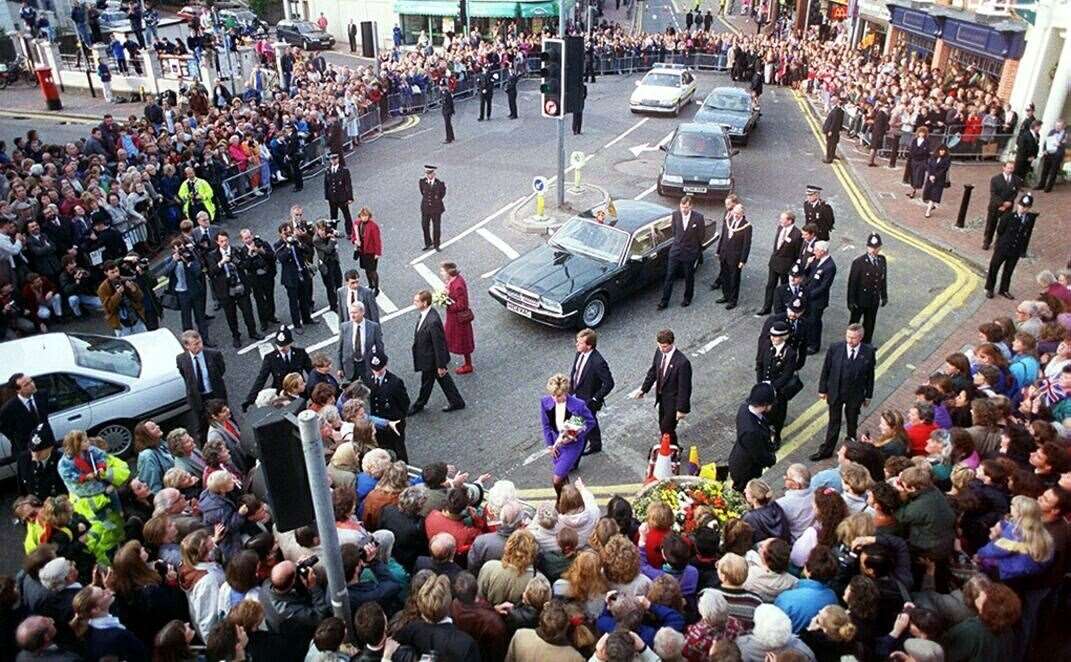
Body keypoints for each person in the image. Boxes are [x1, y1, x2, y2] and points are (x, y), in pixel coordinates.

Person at [813, 325, 876, 461]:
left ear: (860, 337)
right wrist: (822, 389)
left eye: (853, 338)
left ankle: (851, 450)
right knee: (834, 421)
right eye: (848, 336)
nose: (849, 340)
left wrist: (868, 395)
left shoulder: (869, 352)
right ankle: (827, 450)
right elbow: (826, 369)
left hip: (855, 394)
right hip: (836, 391)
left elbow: (870, 375)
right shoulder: (835, 348)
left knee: (852, 421)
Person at [409, 289, 465, 414]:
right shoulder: (427, 314)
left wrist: (441, 365)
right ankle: (456, 401)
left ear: (425, 303)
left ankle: (419, 404)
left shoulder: (432, 321)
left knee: (427, 382)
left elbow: (439, 344)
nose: (414, 303)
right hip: (430, 358)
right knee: (441, 380)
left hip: (431, 359)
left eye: (417, 301)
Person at [631, 329, 692, 444]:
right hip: (662, 399)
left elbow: (685, 388)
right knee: (663, 426)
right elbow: (653, 371)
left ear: (671, 343)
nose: (661, 349)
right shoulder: (659, 352)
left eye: (664, 347)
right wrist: (644, 389)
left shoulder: (682, 363)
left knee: (666, 428)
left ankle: (672, 449)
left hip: (674, 401)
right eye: (659, 346)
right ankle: (672, 447)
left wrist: (681, 409)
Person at [541, 373, 597, 495]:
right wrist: (550, 445)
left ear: (566, 392)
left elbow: (590, 422)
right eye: (553, 395)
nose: (555, 398)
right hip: (557, 445)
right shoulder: (545, 402)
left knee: (557, 479)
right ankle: (570, 501)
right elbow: (546, 426)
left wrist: (575, 436)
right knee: (563, 476)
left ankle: (560, 501)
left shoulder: (578, 404)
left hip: (573, 446)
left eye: (559, 395)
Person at [207, 231, 262, 348]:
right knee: (231, 315)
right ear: (217, 242)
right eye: (221, 241)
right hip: (225, 291)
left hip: (240, 286)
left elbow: (246, 265)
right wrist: (221, 262)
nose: (224, 243)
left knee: (248, 311)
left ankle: (253, 332)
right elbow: (211, 273)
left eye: (226, 240)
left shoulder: (236, 250)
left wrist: (243, 260)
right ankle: (236, 336)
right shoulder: (212, 255)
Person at [242, 327, 312, 411]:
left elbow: (311, 371)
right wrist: (250, 399)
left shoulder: (300, 353)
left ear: (291, 343)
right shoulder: (270, 358)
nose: (282, 348)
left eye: (285, 345)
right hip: (282, 395)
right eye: (279, 345)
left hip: (299, 390)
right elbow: (261, 379)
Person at [569, 328, 615, 456]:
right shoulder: (579, 353)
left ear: (589, 346)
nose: (576, 344)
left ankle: (576, 453)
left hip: (588, 400)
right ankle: (596, 444)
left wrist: (595, 398)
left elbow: (609, 383)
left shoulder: (598, 362)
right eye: (577, 341)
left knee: (580, 424)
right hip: (576, 396)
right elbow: (575, 372)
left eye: (580, 343)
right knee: (590, 420)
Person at [755, 322, 802, 446]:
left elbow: (787, 375)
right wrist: (760, 384)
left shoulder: (790, 353)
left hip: (779, 390)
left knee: (778, 415)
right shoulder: (767, 346)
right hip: (764, 387)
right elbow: (760, 365)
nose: (773, 338)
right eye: (772, 336)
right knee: (763, 413)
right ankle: (765, 432)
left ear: (784, 336)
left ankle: (777, 436)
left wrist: (772, 387)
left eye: (776, 336)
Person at [176, 330, 228, 441]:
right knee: (202, 426)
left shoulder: (213, 354)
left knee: (225, 419)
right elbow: (186, 376)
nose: (199, 346)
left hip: (214, 394)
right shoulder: (181, 359)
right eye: (195, 344)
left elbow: (221, 370)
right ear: (186, 346)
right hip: (198, 398)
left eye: (200, 342)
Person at [985, 194, 1037, 300]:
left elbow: (1025, 234)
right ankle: (990, 288)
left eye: (1026, 207)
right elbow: (1000, 230)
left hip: (1015, 249)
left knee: (1009, 270)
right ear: (1018, 205)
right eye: (1021, 205)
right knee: (994, 267)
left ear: (1029, 208)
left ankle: (1004, 289)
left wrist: (1021, 249)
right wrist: (999, 244)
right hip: (1003, 247)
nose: (1023, 208)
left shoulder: (1029, 218)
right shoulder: (1007, 217)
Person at [658, 196, 705, 309]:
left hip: (689, 253)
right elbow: (674, 232)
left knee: (689, 277)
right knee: (669, 276)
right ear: (680, 206)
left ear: (691, 206)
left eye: (687, 207)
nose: (684, 209)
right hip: (676, 251)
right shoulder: (675, 215)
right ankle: (664, 301)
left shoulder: (698, 218)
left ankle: (687, 298)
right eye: (682, 207)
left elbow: (701, 235)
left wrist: (694, 250)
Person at [728, 383, 777, 488]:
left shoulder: (745, 408)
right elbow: (759, 455)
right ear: (764, 405)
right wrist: (771, 459)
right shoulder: (751, 432)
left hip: (741, 458)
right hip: (746, 470)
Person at [846, 233, 888, 345]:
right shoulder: (859, 262)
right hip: (860, 300)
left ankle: (866, 344)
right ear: (867, 247)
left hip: (873, 299)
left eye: (876, 247)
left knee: (870, 323)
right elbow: (852, 283)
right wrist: (850, 301)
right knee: (854, 323)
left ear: (880, 247)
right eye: (871, 247)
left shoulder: (882, 260)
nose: (873, 250)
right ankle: (850, 342)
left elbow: (883, 279)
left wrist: (884, 295)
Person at [758, 211, 803, 316]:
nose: (780, 220)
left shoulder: (797, 234)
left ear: (790, 221)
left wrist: (792, 268)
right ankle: (766, 307)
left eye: (783, 219)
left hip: (786, 266)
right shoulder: (780, 228)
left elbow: (797, 254)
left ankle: (782, 309)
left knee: (784, 287)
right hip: (774, 262)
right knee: (770, 285)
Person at [164, 240, 210, 342]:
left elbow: (198, 270)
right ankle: (189, 342)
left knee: (200, 317)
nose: (181, 250)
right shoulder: (170, 259)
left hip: (194, 291)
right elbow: (166, 272)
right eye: (178, 248)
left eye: (181, 247)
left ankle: (205, 340)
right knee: (186, 320)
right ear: (173, 250)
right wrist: (174, 261)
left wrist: (188, 262)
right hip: (182, 293)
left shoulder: (189, 255)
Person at [368, 354, 411, 462]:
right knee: (384, 447)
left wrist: (399, 419)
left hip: (394, 421)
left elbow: (405, 402)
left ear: (386, 365)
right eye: (374, 369)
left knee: (399, 448)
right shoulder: (370, 378)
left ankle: (403, 469)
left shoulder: (395, 382)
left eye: (380, 369)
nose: (377, 372)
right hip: (379, 422)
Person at [274, 222, 315, 333]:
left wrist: (298, 243)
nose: (287, 234)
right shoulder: (278, 245)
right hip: (290, 278)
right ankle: (297, 324)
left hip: (302, 272)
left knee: (304, 297)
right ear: (280, 234)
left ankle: (307, 318)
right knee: (293, 301)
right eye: (285, 232)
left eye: (289, 231)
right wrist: (288, 246)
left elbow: (308, 250)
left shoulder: (296, 240)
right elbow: (281, 259)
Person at [237, 229, 278, 333]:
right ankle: (263, 321)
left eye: (249, 237)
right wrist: (250, 255)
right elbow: (245, 266)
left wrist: (261, 251)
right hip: (255, 279)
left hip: (267, 275)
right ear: (242, 240)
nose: (248, 240)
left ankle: (271, 315)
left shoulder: (262, 244)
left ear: (252, 235)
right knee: (259, 300)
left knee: (270, 296)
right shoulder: (243, 251)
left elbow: (272, 256)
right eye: (245, 238)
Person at [440, 261, 475, 374]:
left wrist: (446, 303)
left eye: (442, 271)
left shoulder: (458, 285)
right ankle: (446, 355)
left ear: (449, 272)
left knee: (463, 341)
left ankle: (468, 365)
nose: (441, 273)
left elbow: (462, 305)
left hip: (458, 319)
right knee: (448, 336)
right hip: (454, 318)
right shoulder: (453, 281)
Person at [715, 203, 752, 310]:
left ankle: (733, 300)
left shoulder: (747, 226)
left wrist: (743, 260)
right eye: (734, 212)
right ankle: (725, 296)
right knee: (725, 277)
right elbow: (723, 237)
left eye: (738, 213)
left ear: (742, 213)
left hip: (735, 258)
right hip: (724, 254)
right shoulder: (728, 221)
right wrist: (718, 251)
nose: (735, 215)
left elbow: (746, 244)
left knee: (734, 279)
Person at [338, 302, 384, 384]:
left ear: (363, 312)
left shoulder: (373, 327)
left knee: (369, 387)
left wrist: (380, 366)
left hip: (366, 364)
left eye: (355, 312)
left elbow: (379, 347)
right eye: (351, 312)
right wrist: (339, 368)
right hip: (350, 365)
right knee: (353, 390)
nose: (352, 315)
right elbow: (340, 349)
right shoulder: (344, 327)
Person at [803, 241, 837, 355]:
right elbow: (806, 275)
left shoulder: (830, 266)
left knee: (814, 322)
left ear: (823, 251)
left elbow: (824, 286)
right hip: (808, 296)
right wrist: (808, 264)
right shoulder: (815, 260)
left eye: (816, 250)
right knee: (807, 320)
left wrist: (809, 295)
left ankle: (814, 345)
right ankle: (806, 340)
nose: (814, 252)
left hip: (817, 300)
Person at [97, 260, 147, 337]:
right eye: (112, 272)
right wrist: (118, 294)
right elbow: (108, 308)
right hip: (121, 324)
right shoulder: (103, 289)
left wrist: (133, 289)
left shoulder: (125, 280)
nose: (116, 274)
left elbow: (140, 298)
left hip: (136, 319)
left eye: (117, 271)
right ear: (106, 273)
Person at [983, 161, 1022, 250]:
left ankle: (998, 243)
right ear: (1003, 168)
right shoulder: (995, 179)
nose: (1009, 170)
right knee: (991, 224)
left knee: (1003, 226)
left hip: (1008, 207)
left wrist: (1008, 204)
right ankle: (987, 242)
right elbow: (993, 193)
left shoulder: (1017, 180)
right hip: (995, 206)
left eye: (1011, 168)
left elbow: (1014, 193)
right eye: (1008, 168)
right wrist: (1001, 204)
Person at [350, 208, 383, 294]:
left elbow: (377, 240)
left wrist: (377, 253)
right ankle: (370, 285)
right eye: (362, 216)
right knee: (366, 269)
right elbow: (353, 235)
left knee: (372, 271)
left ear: (369, 216)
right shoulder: (357, 224)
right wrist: (355, 241)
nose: (364, 218)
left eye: (366, 216)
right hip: (362, 251)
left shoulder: (373, 226)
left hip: (371, 251)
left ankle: (376, 288)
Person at [323, 152, 354, 230]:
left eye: (335, 158)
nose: (333, 161)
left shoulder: (344, 170)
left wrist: (350, 197)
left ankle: (349, 231)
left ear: (338, 159)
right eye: (331, 159)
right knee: (333, 215)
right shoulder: (327, 170)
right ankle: (333, 231)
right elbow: (326, 185)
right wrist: (327, 196)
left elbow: (348, 185)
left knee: (346, 215)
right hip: (332, 198)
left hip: (342, 197)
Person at [419, 165, 447, 251]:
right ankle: (428, 243)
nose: (429, 175)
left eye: (430, 173)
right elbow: (423, 193)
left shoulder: (440, 184)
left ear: (434, 174)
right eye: (427, 173)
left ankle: (436, 244)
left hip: (436, 209)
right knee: (424, 226)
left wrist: (435, 202)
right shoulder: (422, 182)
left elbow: (441, 195)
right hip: (425, 208)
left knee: (436, 228)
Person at [921, 144, 952, 218]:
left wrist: (935, 176)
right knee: (927, 194)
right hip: (930, 178)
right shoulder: (933, 157)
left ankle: (928, 211)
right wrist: (930, 175)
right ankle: (931, 206)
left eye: (944, 151)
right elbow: (929, 166)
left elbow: (944, 170)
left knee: (934, 195)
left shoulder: (947, 159)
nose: (942, 152)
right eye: (941, 150)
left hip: (939, 180)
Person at [1036, 119, 1066, 192]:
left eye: (1059, 126)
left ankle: (1048, 188)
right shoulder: (1052, 131)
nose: (1057, 127)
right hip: (1049, 154)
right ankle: (1041, 185)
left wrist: (1060, 145)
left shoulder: (1066, 134)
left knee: (1053, 172)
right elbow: (1046, 141)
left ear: (1063, 126)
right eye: (1056, 125)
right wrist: (1044, 150)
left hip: (1057, 155)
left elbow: (1068, 144)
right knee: (1045, 170)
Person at [905, 127, 931, 199]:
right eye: (920, 132)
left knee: (918, 175)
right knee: (913, 175)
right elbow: (912, 150)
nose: (921, 134)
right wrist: (917, 153)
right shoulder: (915, 140)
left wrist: (919, 152)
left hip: (921, 161)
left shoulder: (926, 142)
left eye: (923, 133)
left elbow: (926, 152)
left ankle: (913, 191)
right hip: (914, 160)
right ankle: (913, 189)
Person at [822, 96, 845, 163]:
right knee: (834, 143)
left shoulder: (836, 111)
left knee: (830, 144)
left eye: (834, 101)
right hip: (836, 131)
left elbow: (834, 122)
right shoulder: (840, 111)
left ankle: (829, 158)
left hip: (832, 130)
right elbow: (840, 122)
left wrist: (830, 131)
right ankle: (832, 155)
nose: (832, 102)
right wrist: (840, 130)